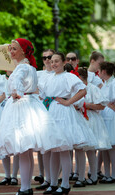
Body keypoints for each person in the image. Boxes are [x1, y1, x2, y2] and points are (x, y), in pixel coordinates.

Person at [0, 39, 72, 195]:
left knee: (24, 148)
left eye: (14, 49)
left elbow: (17, 82)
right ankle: (26, 186)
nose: (11, 51)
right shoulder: (28, 67)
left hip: (22, 105)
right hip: (29, 103)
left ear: (23, 51)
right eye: (10, 49)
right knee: (26, 150)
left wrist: (16, 92)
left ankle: (25, 187)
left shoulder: (22, 67)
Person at [39, 52, 90, 195]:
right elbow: (42, 94)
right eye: (51, 61)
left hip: (62, 112)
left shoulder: (68, 76)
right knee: (53, 149)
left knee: (63, 149)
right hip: (51, 111)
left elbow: (82, 90)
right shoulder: (48, 78)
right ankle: (53, 183)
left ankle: (66, 184)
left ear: (63, 63)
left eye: (56, 61)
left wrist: (68, 102)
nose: (53, 63)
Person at [76, 67, 112, 186]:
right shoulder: (76, 89)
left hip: (91, 118)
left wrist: (86, 105)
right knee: (80, 148)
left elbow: (101, 106)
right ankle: (80, 175)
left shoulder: (92, 88)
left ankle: (94, 175)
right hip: (80, 118)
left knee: (91, 149)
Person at [35, 49, 55, 190]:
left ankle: (55, 177)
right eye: (44, 58)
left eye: (50, 57)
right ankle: (45, 177)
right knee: (43, 147)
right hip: (41, 111)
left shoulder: (59, 74)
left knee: (57, 147)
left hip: (57, 112)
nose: (47, 60)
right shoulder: (38, 74)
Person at [0, 70, 20, 186]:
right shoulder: (0, 78)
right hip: (3, 112)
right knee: (4, 143)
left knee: (15, 143)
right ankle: (7, 175)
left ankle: (14, 175)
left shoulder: (19, 76)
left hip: (16, 111)